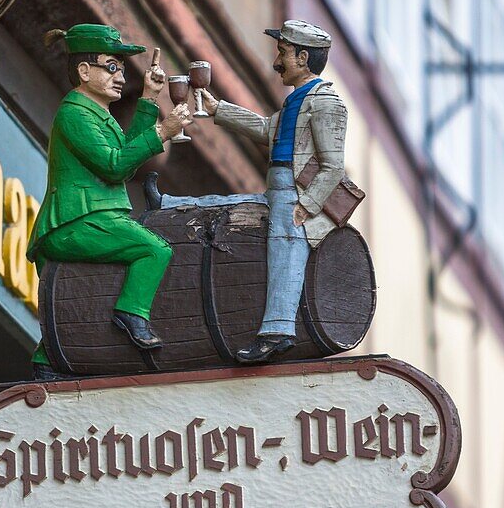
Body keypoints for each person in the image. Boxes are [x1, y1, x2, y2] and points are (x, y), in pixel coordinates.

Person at [147, 20, 347, 364]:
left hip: (294, 194)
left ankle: (277, 332)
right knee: (231, 205)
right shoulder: (296, 100)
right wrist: (217, 109)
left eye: (282, 54)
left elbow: (334, 166)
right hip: (277, 189)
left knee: (285, 252)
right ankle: (168, 204)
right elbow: (266, 128)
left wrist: (307, 206)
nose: (276, 62)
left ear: (302, 57)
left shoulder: (327, 104)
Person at [27, 23, 192, 380]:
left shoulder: (98, 114)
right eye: (112, 66)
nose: (120, 76)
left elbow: (126, 157)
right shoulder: (74, 114)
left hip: (93, 219)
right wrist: (164, 131)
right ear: (84, 71)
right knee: (154, 250)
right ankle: (132, 314)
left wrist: (149, 97)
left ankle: (47, 361)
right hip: (74, 222)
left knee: (84, 297)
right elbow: (114, 165)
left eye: (121, 68)